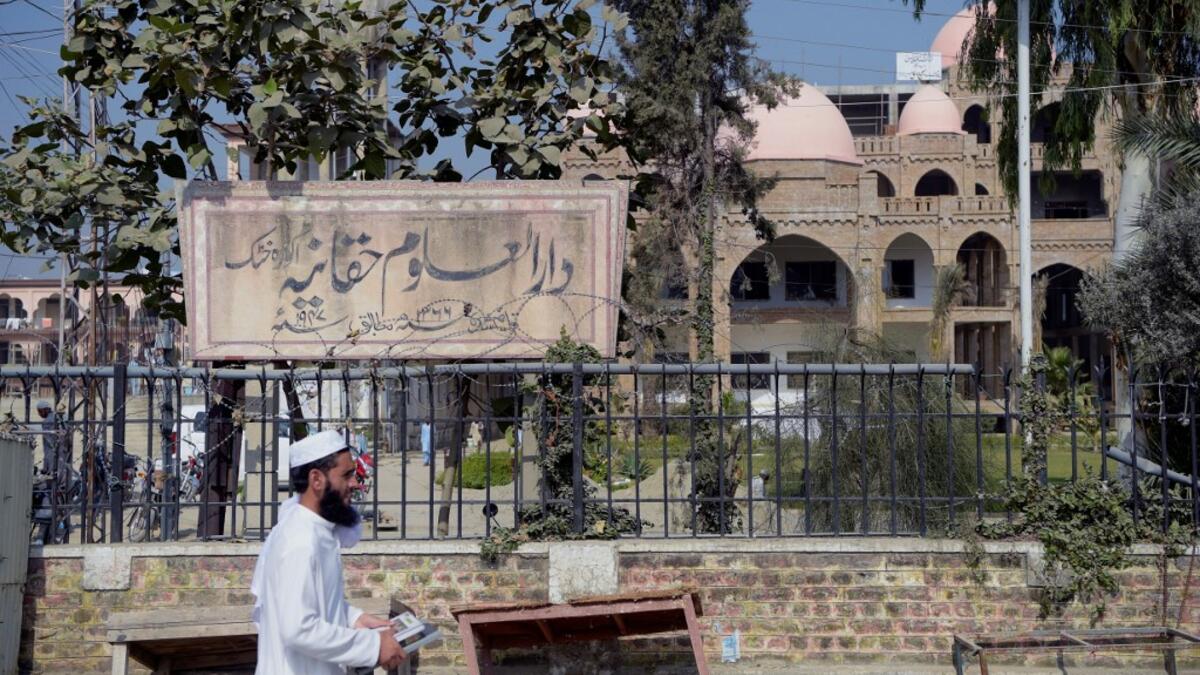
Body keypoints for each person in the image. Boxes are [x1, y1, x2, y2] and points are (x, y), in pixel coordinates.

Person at [251, 430, 407, 673]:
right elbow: (298, 628)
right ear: (316, 480)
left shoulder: (316, 531)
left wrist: (354, 618)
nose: (355, 484)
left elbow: (313, 602)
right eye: (346, 475)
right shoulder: (299, 541)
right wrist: (374, 646)